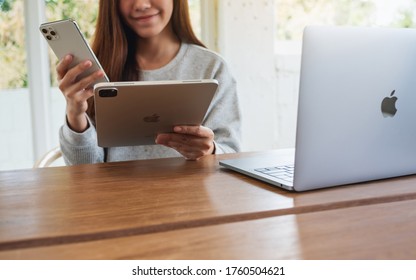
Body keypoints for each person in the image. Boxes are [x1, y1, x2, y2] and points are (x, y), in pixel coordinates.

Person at [57, 0, 241, 164]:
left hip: (191, 198)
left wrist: (210, 150)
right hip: (117, 199)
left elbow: (230, 154)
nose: (141, 5)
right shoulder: (96, 70)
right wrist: (75, 114)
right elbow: (83, 171)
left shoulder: (212, 67)